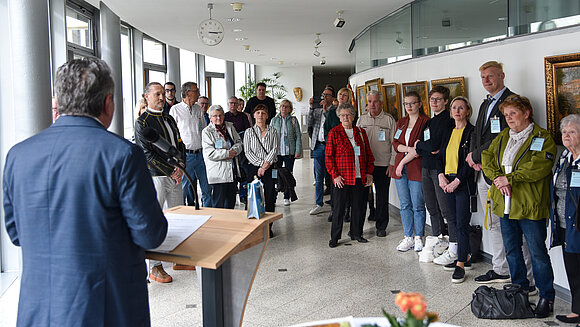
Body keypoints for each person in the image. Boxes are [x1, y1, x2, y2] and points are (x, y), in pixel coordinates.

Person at [3, 58, 167, 326]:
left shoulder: (18, 155)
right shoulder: (123, 155)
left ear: (61, 100)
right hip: (105, 308)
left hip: (38, 310)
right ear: (107, 102)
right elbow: (150, 234)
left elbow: (16, 233)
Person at [482, 94, 556, 318]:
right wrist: (497, 178)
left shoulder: (542, 137)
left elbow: (539, 166)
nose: (509, 118)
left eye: (513, 113)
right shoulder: (504, 136)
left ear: (526, 113)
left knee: (537, 252)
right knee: (512, 251)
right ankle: (521, 288)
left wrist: (510, 178)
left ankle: (546, 295)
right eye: (506, 115)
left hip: (529, 205)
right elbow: (487, 156)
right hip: (506, 205)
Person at [467, 61, 515, 284]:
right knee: (492, 224)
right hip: (483, 172)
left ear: (502, 76)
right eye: (483, 77)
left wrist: (476, 156)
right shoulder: (485, 103)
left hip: (500, 173)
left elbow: (502, 138)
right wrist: (473, 158)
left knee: (507, 224)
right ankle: (500, 268)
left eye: (491, 76)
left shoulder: (512, 102)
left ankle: (515, 272)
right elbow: (478, 135)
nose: (486, 81)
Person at [436, 96, 475, 283]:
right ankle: (464, 255)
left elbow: (470, 161)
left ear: (468, 110)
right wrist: (440, 175)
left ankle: (461, 263)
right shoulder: (448, 131)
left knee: (461, 223)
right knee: (451, 220)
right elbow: (438, 156)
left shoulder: (471, 132)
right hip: (447, 181)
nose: (457, 111)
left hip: (462, 183)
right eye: (454, 107)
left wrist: (457, 181)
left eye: (461, 108)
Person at [325, 103, 375, 248]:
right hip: (342, 178)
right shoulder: (334, 133)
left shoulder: (360, 132)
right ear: (339, 117)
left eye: (348, 115)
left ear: (353, 117)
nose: (345, 117)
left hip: (360, 177)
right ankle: (335, 237)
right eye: (342, 115)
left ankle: (356, 233)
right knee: (339, 209)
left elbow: (369, 155)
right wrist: (335, 175)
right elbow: (328, 157)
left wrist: (369, 172)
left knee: (359, 207)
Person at [552, 114, 580, 325]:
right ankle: (577, 310)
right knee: (572, 267)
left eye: (572, 131)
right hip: (564, 222)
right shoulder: (564, 158)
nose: (567, 135)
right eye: (564, 132)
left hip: (577, 224)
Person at [416, 86, 454, 240]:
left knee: (445, 209)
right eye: (432, 99)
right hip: (425, 167)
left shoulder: (448, 121)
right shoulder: (429, 122)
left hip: (439, 170)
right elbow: (419, 147)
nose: (434, 102)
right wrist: (423, 146)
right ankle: (437, 238)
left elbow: (434, 146)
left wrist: (424, 146)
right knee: (431, 207)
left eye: (438, 99)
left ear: (445, 101)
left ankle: (452, 242)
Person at [392, 91, 429, 251]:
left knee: (418, 205)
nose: (409, 106)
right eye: (406, 104)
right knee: (405, 204)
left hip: (416, 168)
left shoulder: (426, 122)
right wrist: (407, 148)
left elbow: (419, 149)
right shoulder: (401, 122)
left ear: (420, 104)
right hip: (401, 169)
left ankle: (419, 237)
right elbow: (395, 143)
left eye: (412, 103)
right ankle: (408, 237)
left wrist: (407, 152)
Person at [357, 89, 397, 237]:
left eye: (375, 101)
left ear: (380, 103)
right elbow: (356, 143)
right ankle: (358, 227)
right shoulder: (361, 120)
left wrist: (392, 163)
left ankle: (381, 227)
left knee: (382, 196)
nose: (372, 104)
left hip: (383, 165)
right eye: (369, 102)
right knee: (361, 197)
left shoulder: (389, 120)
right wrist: (357, 162)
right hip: (365, 165)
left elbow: (395, 144)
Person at [170, 82, 213, 208]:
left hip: (200, 155)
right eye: (196, 91)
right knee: (184, 188)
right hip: (186, 155)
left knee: (206, 188)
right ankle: (183, 215)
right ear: (187, 92)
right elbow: (173, 134)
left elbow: (204, 129)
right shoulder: (175, 110)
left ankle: (209, 214)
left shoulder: (198, 109)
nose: (199, 94)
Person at [244, 104, 279, 236]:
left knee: (270, 197)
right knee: (253, 197)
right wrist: (260, 165)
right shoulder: (249, 132)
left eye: (263, 113)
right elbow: (248, 151)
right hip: (253, 168)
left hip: (269, 168)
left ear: (267, 116)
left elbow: (274, 149)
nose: (260, 115)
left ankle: (268, 227)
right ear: (253, 115)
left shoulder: (273, 131)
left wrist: (265, 166)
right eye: (258, 112)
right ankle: (253, 228)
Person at [202, 105, 243, 209]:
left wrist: (235, 150)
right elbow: (210, 153)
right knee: (218, 205)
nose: (218, 118)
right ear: (210, 118)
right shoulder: (206, 132)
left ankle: (229, 225)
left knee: (230, 204)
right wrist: (227, 154)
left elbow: (239, 142)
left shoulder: (229, 127)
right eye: (215, 116)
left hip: (231, 173)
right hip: (218, 175)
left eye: (220, 115)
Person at [307, 87, 335, 215]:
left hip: (331, 147)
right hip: (318, 146)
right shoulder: (316, 111)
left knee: (333, 175)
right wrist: (312, 108)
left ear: (332, 98)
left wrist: (325, 111)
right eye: (323, 94)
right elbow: (310, 124)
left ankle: (334, 202)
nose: (325, 97)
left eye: (328, 95)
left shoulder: (334, 111)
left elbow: (330, 124)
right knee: (318, 177)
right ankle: (319, 203)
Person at [270, 99, 302, 206]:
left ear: (290, 109)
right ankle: (273, 196)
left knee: (288, 174)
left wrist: (297, 150)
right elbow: (270, 137)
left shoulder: (293, 120)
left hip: (289, 152)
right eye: (282, 106)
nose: (284, 108)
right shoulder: (274, 120)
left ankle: (287, 196)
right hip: (277, 153)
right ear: (279, 108)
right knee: (275, 175)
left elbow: (298, 136)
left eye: (286, 106)